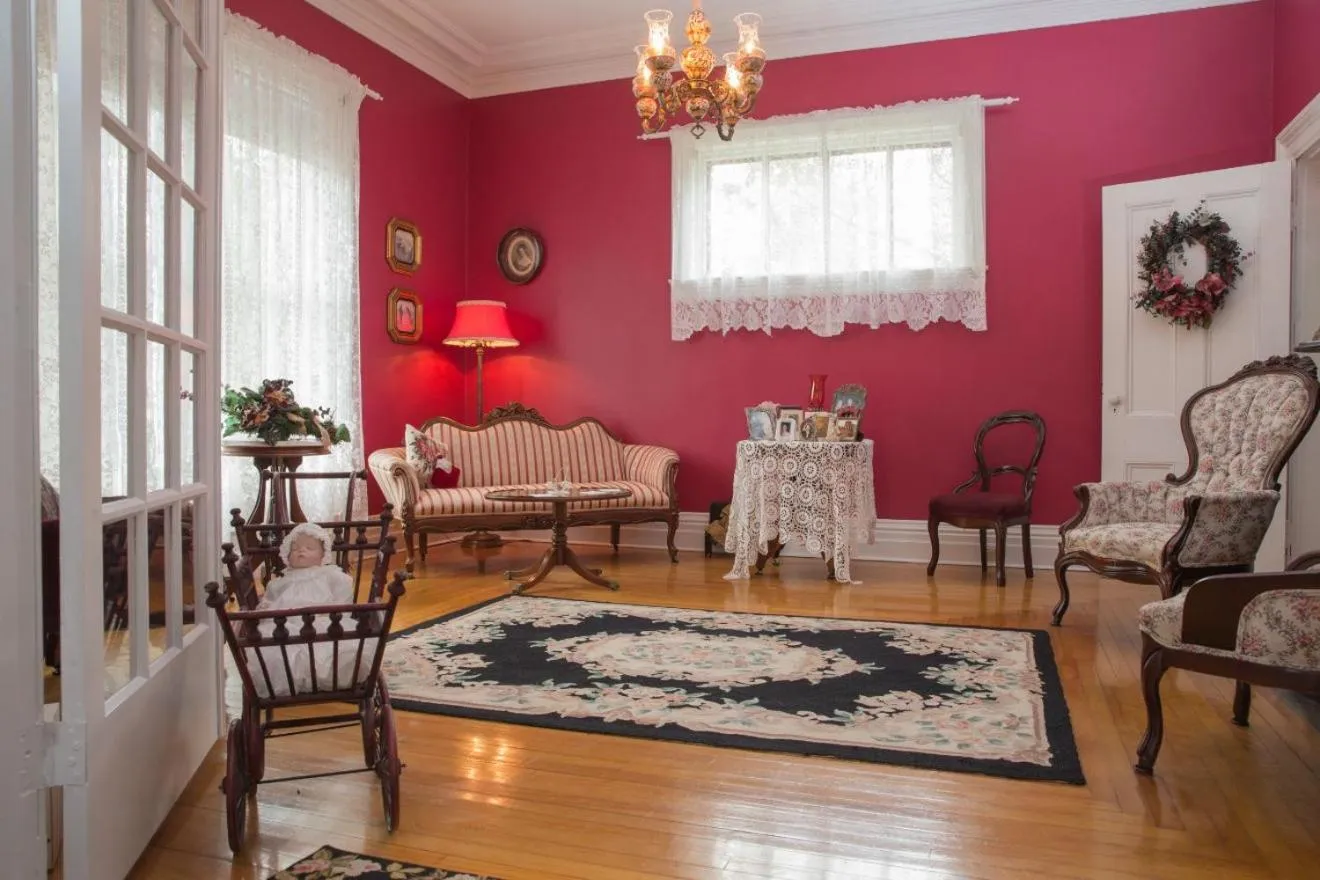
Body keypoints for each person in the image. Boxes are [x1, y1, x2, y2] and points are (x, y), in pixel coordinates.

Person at [246, 523, 368, 696]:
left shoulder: (331, 575)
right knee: (274, 651)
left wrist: (336, 614)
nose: (301, 551)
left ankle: (320, 678)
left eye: (309, 548)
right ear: (287, 555)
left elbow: (344, 600)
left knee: (340, 649)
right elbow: (269, 601)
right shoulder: (279, 582)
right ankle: (292, 680)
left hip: (323, 622)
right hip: (284, 626)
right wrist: (265, 607)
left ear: (323, 555)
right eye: (294, 548)